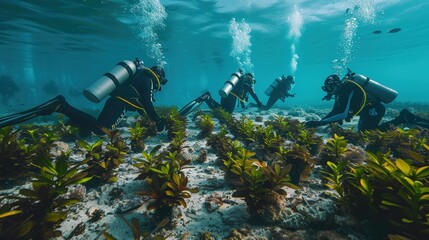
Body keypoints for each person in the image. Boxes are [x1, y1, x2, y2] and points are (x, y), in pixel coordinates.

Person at [0, 59, 168, 134]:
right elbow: (146, 102)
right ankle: (62, 107)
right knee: (103, 130)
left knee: (99, 126)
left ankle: (66, 111)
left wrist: (148, 116)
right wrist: (158, 120)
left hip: (116, 100)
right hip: (119, 104)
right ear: (159, 76)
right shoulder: (148, 80)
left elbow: (139, 101)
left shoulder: (140, 77)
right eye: (162, 80)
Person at [305, 70, 429, 131]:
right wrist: (320, 121)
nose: (328, 91)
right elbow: (335, 111)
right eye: (326, 89)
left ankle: (403, 119)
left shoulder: (348, 89)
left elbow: (342, 114)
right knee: (362, 133)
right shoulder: (340, 94)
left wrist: (320, 123)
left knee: (368, 134)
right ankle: (403, 118)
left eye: (329, 88)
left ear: (336, 84)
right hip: (366, 111)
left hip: (374, 109)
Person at [179, 70, 263, 116]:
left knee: (221, 110)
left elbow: (241, 96)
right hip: (231, 97)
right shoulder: (246, 83)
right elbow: (253, 94)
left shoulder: (239, 82)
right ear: (249, 79)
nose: (251, 83)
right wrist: (259, 103)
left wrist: (242, 104)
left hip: (225, 94)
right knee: (227, 113)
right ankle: (208, 97)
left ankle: (208, 98)